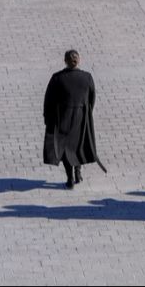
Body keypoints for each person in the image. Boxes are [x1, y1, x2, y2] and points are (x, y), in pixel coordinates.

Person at [43, 50, 107, 189]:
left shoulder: (57, 78)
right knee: (78, 146)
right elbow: (92, 99)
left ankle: (70, 178)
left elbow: (49, 100)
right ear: (79, 60)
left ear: (64, 61)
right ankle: (78, 173)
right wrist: (87, 113)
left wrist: (48, 118)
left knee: (66, 149)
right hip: (81, 117)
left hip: (63, 118)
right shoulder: (87, 77)